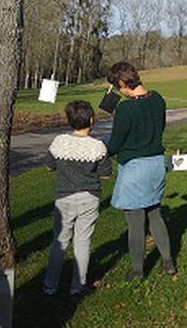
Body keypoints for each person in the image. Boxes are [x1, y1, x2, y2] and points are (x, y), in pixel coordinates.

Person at [106, 61, 176, 282]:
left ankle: (137, 270)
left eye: (118, 87)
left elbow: (115, 143)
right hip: (156, 164)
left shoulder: (125, 108)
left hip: (135, 168)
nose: (120, 92)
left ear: (121, 82)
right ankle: (167, 262)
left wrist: (103, 150)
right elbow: (160, 128)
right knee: (155, 214)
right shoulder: (158, 99)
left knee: (135, 222)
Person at [43, 100, 112, 299]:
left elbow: (49, 166)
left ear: (69, 121)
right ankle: (77, 287)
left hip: (63, 197)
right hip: (89, 197)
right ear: (92, 120)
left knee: (60, 242)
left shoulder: (59, 142)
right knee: (82, 242)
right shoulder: (97, 146)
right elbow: (106, 174)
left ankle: (50, 286)